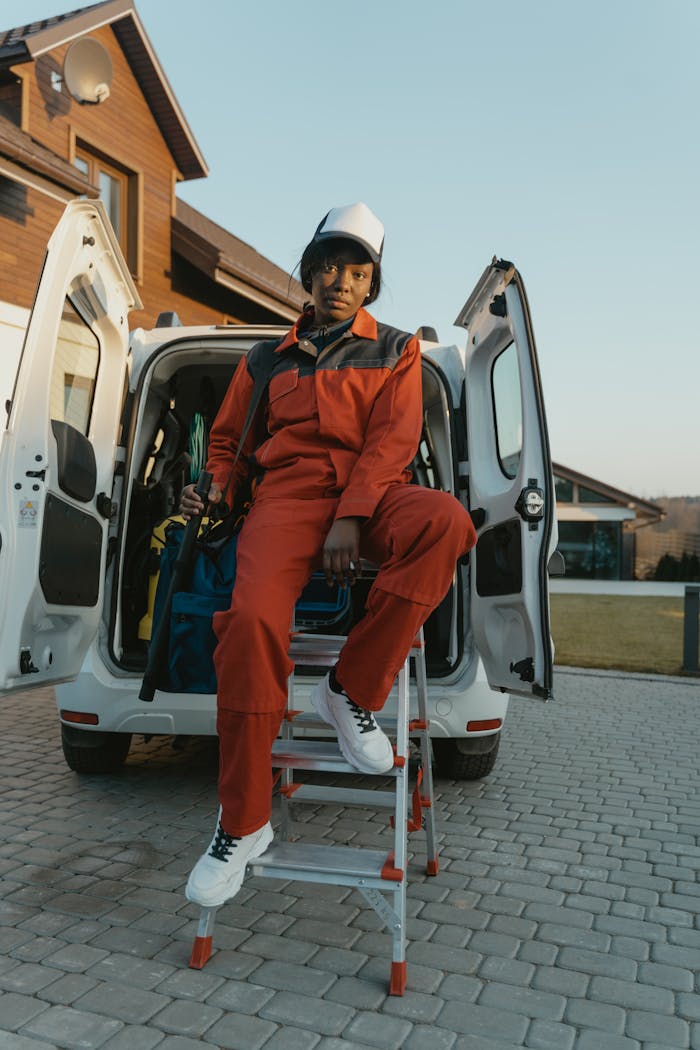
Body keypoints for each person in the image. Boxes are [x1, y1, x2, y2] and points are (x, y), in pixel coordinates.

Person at [180, 202, 477, 907]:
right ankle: (244, 824)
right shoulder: (263, 360)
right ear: (308, 276)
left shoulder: (397, 349)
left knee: (446, 521)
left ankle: (349, 690)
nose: (338, 280)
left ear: (370, 283)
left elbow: (392, 442)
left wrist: (352, 516)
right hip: (282, 504)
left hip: (372, 494)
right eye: (326, 267)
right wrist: (214, 493)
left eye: (355, 270)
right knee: (250, 624)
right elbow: (228, 447)